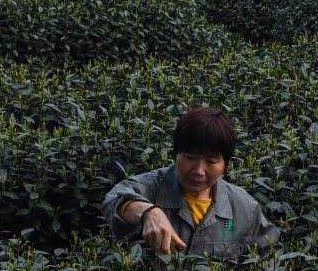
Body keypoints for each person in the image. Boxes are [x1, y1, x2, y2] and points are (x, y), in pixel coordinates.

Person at [103, 106, 280, 257]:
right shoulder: (151, 188)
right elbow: (114, 199)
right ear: (175, 155)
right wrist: (148, 211)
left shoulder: (243, 208)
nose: (199, 171)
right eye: (189, 157)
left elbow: (270, 254)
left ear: (225, 164)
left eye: (211, 162)